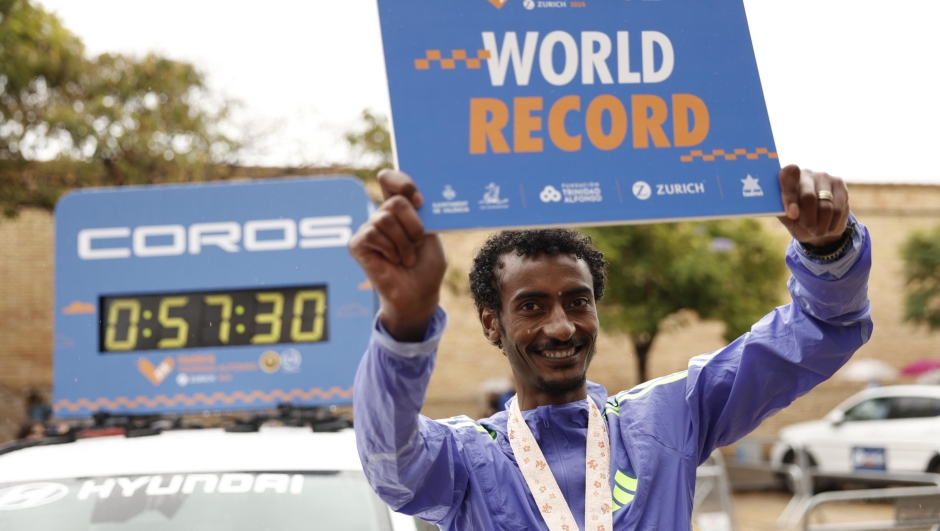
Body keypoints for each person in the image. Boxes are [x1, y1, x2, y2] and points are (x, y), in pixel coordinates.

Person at [349, 165, 871, 531]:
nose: (561, 327)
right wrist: (405, 320)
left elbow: (819, 328)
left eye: (577, 302)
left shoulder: (670, 416)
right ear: (492, 323)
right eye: (531, 307)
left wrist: (828, 250)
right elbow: (388, 459)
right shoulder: (466, 457)